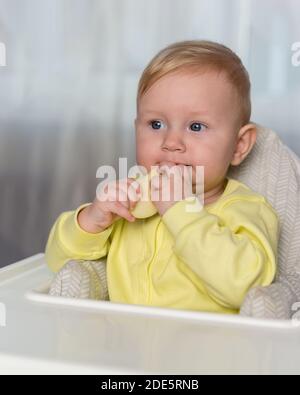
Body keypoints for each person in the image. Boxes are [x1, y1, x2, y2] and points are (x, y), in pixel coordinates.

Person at [45, 40, 279, 314]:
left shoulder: (246, 208)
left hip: (210, 351)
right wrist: (91, 221)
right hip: (120, 346)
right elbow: (55, 264)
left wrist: (180, 210)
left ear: (239, 146)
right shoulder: (131, 199)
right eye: (156, 124)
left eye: (196, 126)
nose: (171, 141)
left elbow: (246, 286)